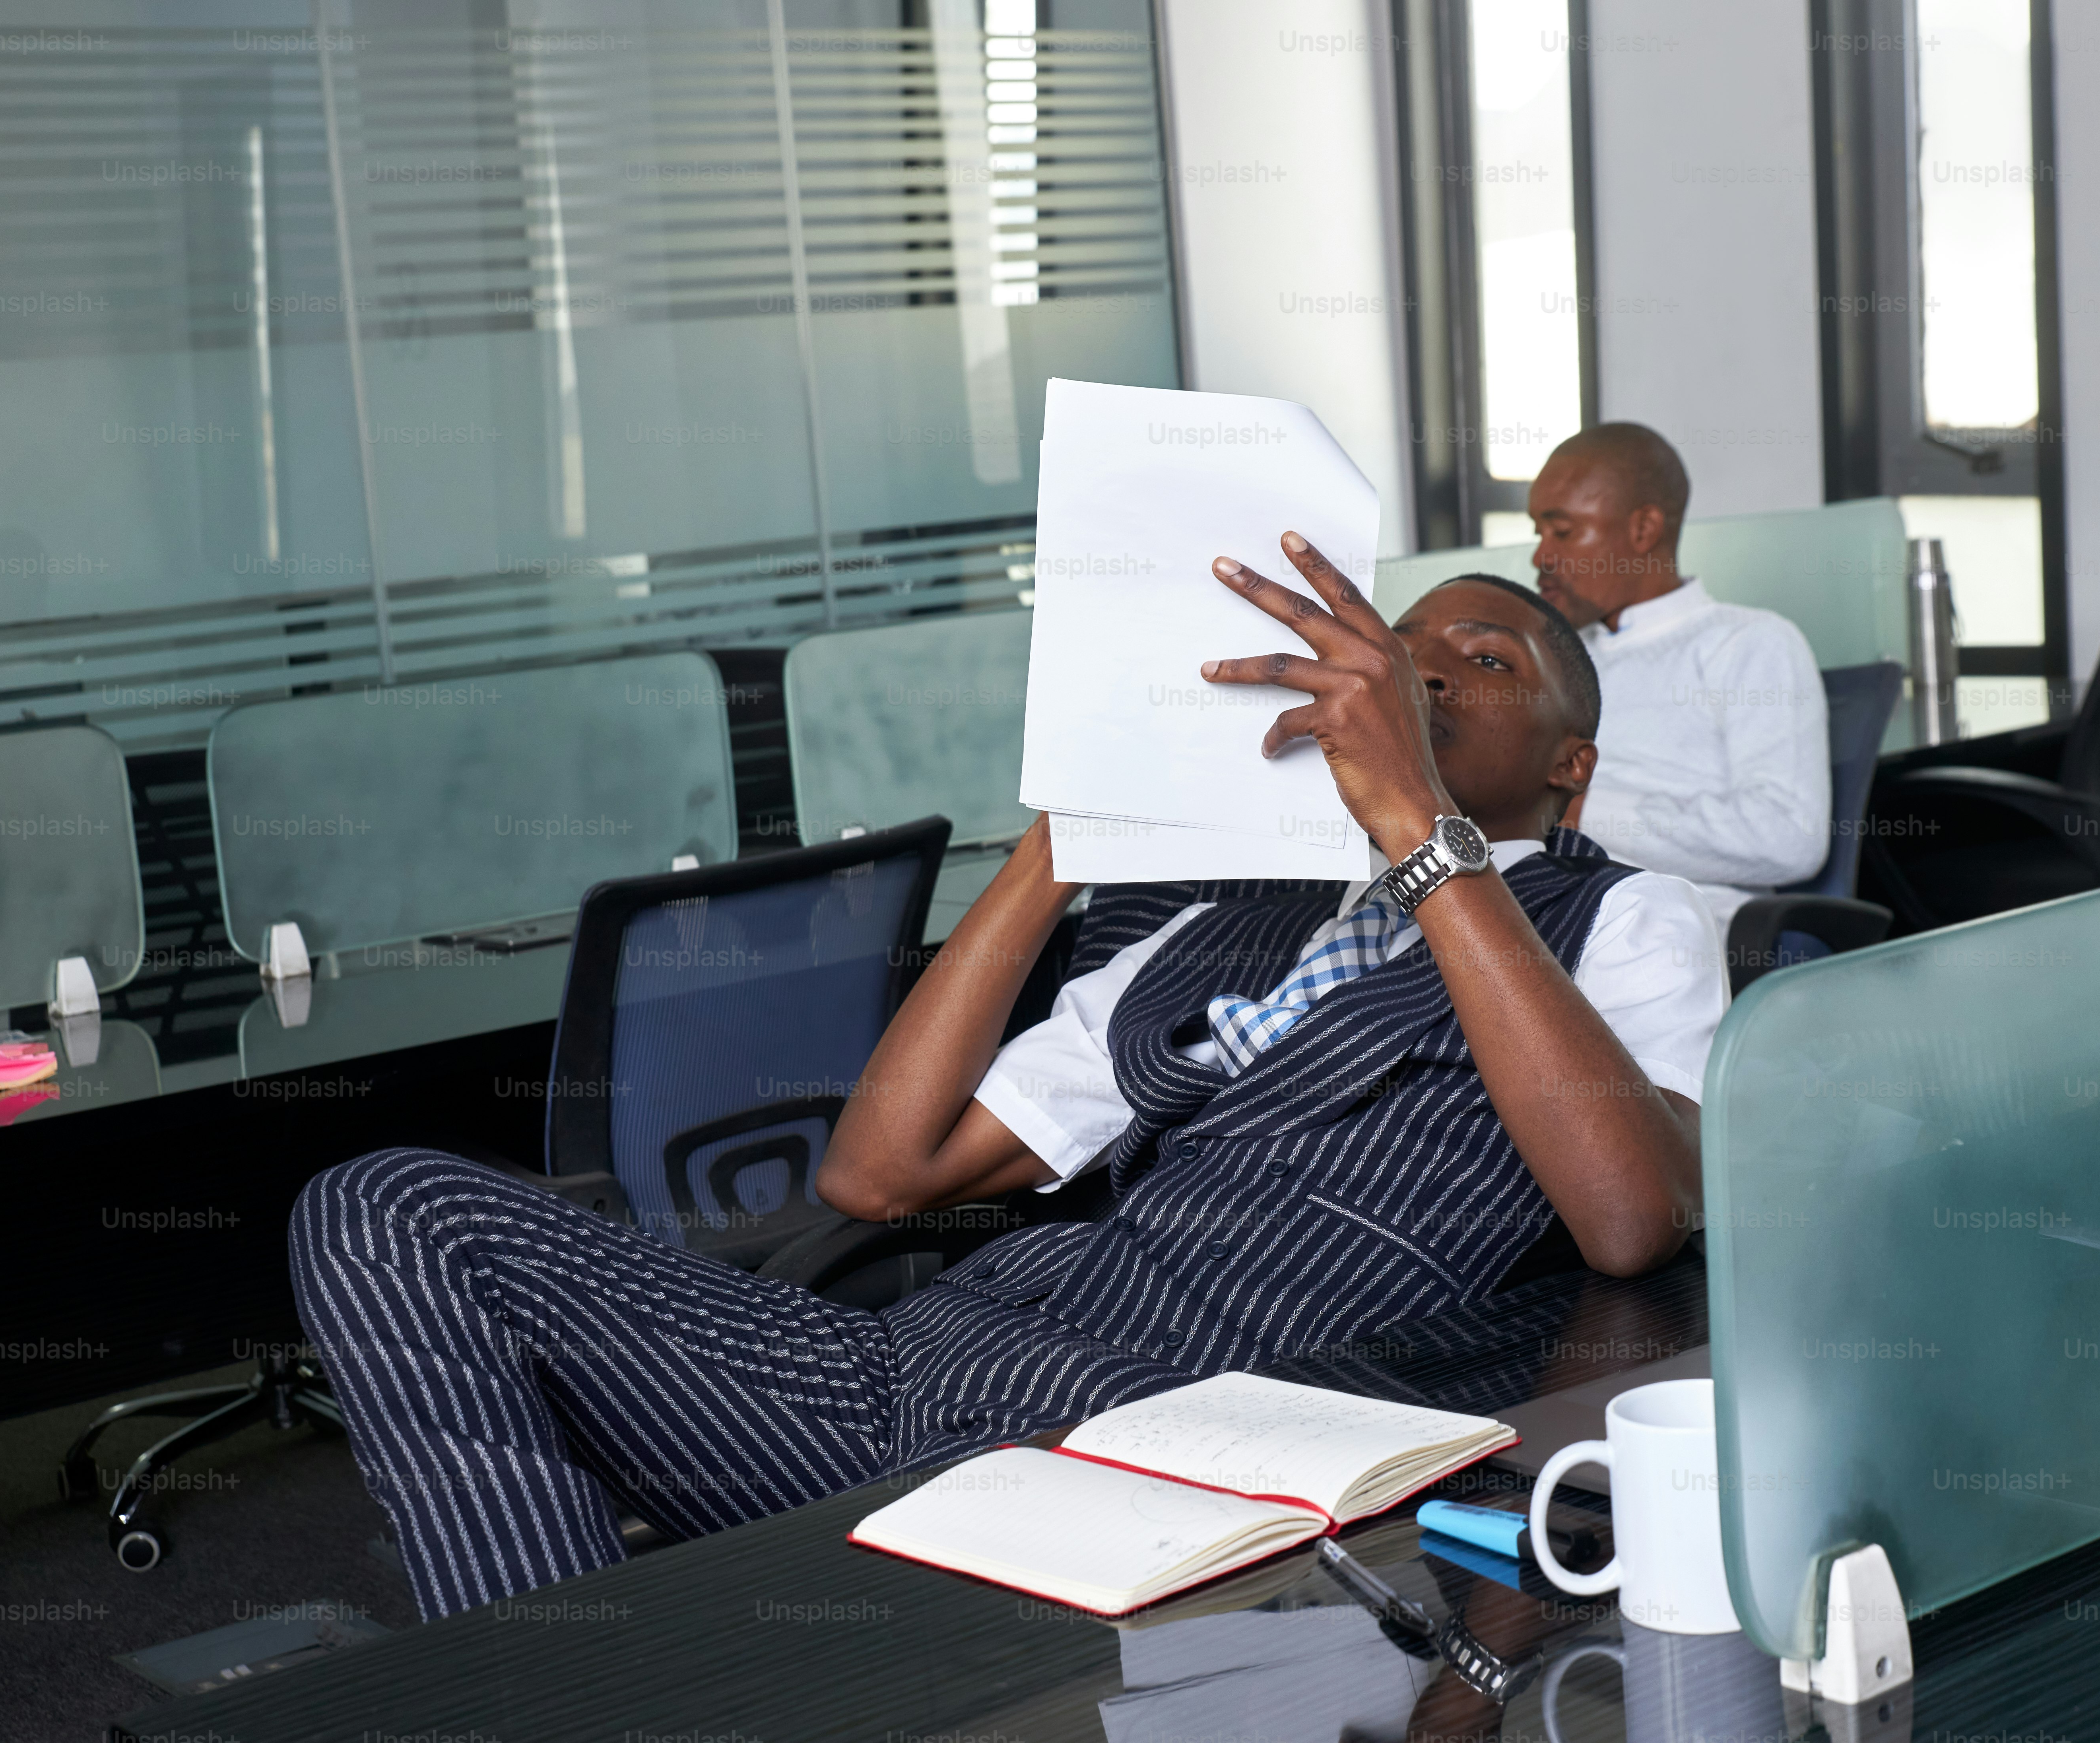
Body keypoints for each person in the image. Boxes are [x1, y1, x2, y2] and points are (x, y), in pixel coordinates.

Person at [289, 541, 1725, 1621]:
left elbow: (1628, 1215)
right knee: (383, 1209)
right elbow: (878, 1174)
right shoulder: (1222, 917)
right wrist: (1056, 848)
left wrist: (1418, 831)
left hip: (1165, 1438)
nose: (1416, 668)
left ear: (1570, 766)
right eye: (1397, 645)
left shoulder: (1618, 919)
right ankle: (571, 1694)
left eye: (1481, 661)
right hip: (917, 1370)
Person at [1525, 422, 1831, 928]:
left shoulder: (1748, 644)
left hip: (1668, 925)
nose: (1541, 556)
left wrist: (1585, 815)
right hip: (1539, 909)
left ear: (1643, 529)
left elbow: (1790, 835)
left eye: (1563, 532)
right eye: (1539, 533)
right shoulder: (1557, 658)